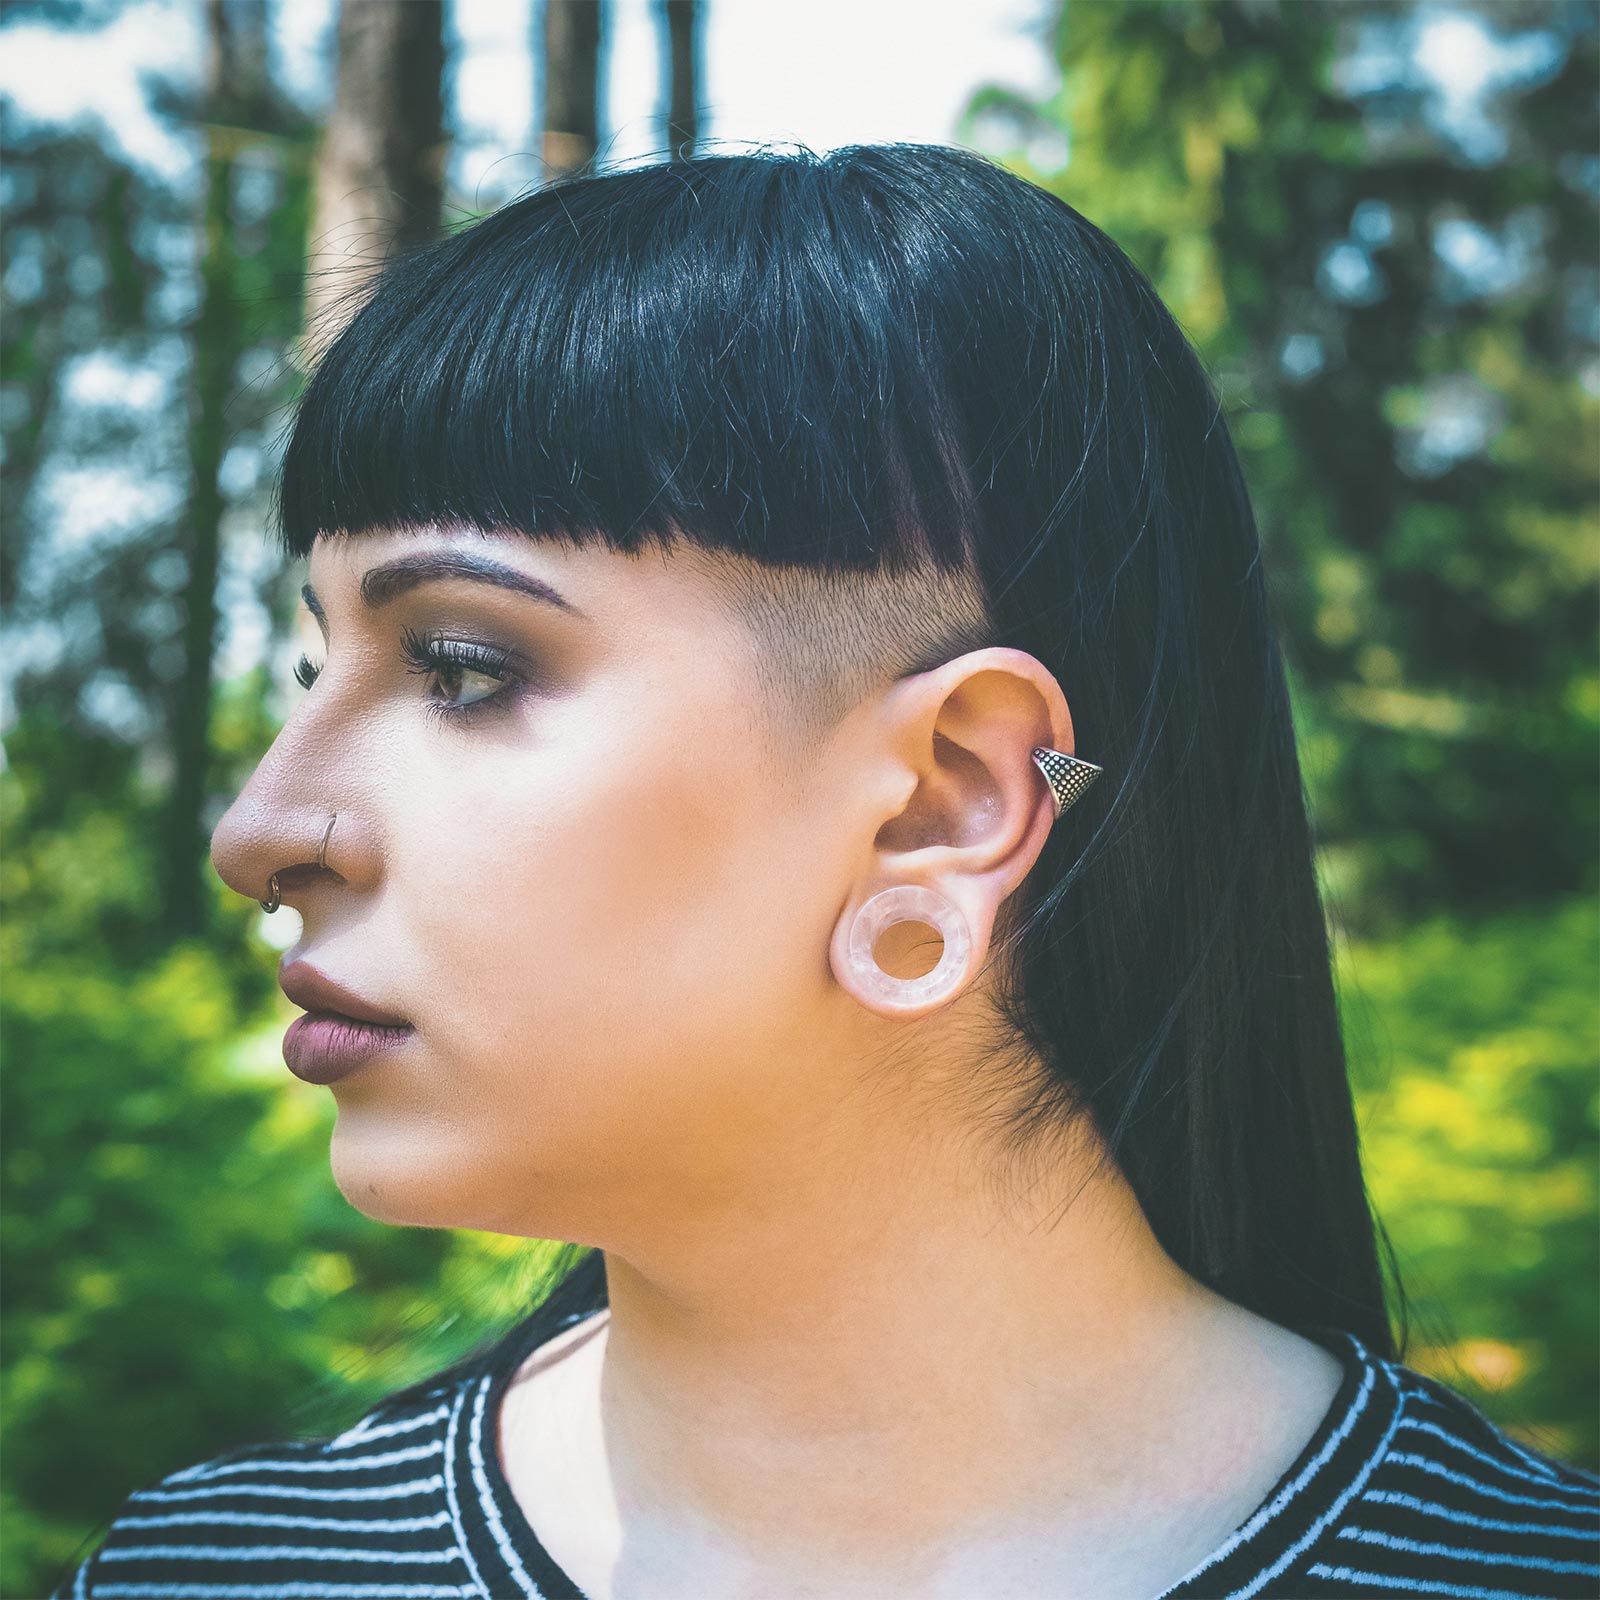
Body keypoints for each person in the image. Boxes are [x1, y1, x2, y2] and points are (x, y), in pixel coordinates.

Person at [53, 144, 1598, 1600]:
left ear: (945, 802)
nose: (260, 830)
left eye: (462, 668)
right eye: (312, 665)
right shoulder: (226, 1569)